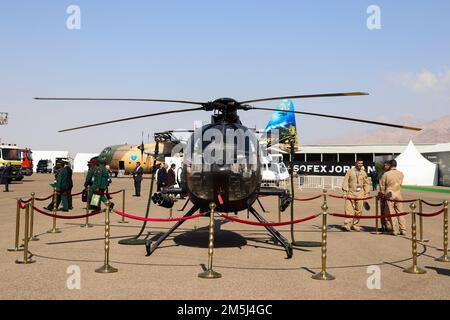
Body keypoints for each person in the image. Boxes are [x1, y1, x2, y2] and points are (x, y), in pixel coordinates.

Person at [342, 159, 371, 232]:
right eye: (359, 163)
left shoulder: (363, 173)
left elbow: (367, 184)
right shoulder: (350, 171)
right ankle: (347, 224)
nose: (360, 164)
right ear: (356, 163)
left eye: (362, 163)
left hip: (360, 193)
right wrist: (345, 192)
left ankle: (355, 224)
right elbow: (345, 181)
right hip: (351, 192)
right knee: (348, 209)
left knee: (359, 210)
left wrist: (366, 194)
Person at [380, 159, 407, 236]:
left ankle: (394, 229)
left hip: (389, 193)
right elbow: (401, 183)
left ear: (390, 165)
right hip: (398, 193)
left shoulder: (386, 174)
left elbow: (382, 186)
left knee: (391, 213)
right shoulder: (401, 173)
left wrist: (382, 194)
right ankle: (403, 229)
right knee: (400, 212)